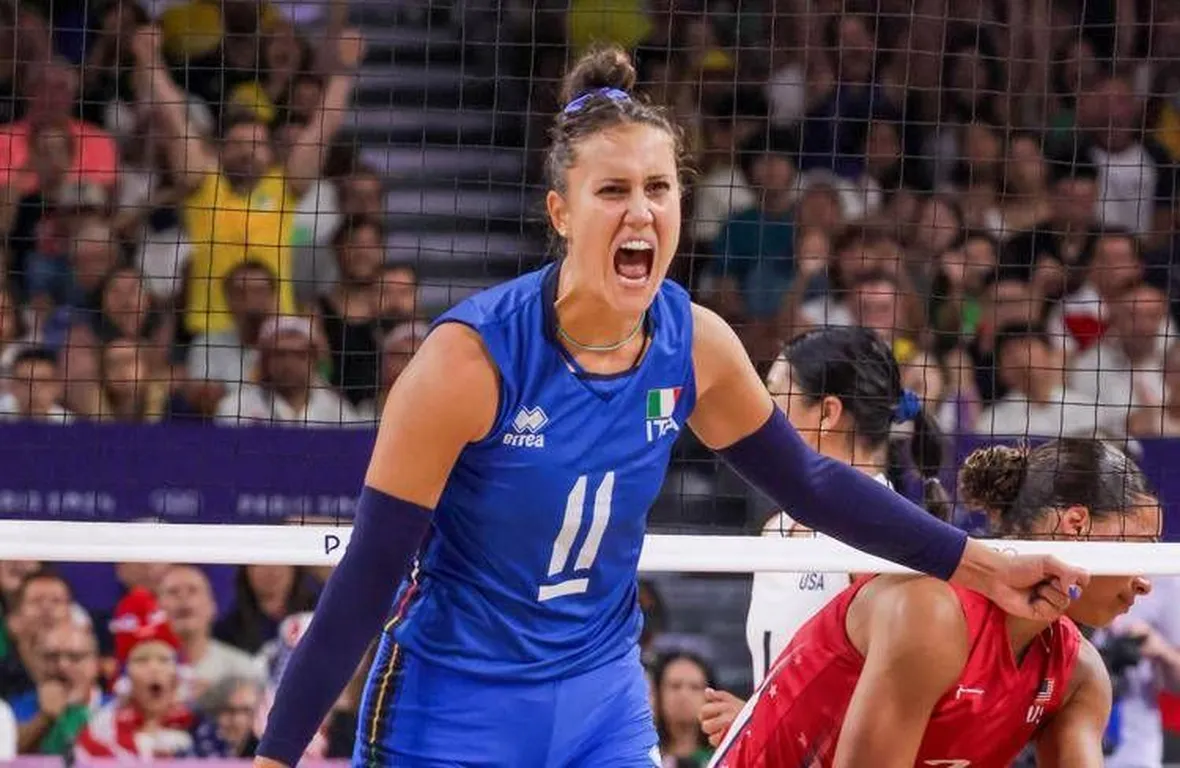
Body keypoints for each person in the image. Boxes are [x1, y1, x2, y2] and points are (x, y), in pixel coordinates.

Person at [255, 47, 1086, 768]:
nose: (642, 211)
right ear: (560, 212)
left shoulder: (696, 343)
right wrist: (275, 753)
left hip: (601, 698)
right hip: (455, 701)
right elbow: (368, 575)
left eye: (659, 187)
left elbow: (811, 485)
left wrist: (987, 566)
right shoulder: (467, 362)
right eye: (612, 190)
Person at [704, 440, 1160, 768]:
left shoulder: (1080, 676)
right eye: (1141, 548)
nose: (1145, 582)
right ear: (1076, 525)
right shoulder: (931, 612)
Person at [747, 326, 948, 686]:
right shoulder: (777, 527)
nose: (763, 410)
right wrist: (747, 711)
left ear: (827, 413)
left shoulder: (884, 543)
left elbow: (890, 699)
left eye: (775, 394)